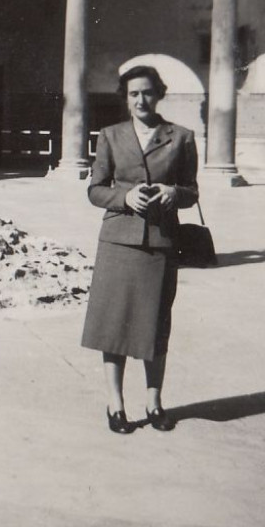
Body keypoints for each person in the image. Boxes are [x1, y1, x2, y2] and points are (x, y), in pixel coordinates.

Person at [80, 62, 199, 434]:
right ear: (125, 98)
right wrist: (125, 196)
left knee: (155, 326)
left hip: (161, 244)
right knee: (112, 325)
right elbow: (95, 189)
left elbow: (192, 191)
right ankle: (115, 405)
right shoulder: (111, 136)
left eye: (147, 92)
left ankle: (154, 402)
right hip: (118, 241)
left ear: (159, 93)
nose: (141, 100)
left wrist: (173, 192)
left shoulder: (181, 136)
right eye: (133, 94)